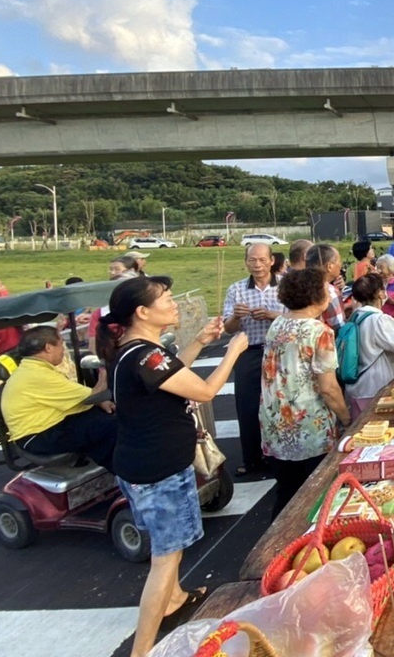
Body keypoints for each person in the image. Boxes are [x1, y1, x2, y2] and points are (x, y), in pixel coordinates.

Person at [97, 275, 248, 657]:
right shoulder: (146, 355)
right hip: (159, 470)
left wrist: (199, 341)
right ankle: (142, 649)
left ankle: (175, 598)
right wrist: (233, 351)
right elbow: (204, 391)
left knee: (170, 550)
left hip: (140, 465)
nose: (174, 302)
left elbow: (172, 375)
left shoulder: (137, 351)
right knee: (164, 559)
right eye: (166, 297)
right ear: (143, 312)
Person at [261, 268, 351, 519]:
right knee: (318, 496)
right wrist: (347, 419)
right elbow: (329, 388)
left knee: (286, 493)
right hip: (309, 426)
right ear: (316, 296)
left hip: (274, 422)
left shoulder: (278, 323)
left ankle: (274, 550)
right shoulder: (319, 332)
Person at [1, 326, 116, 471]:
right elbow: (94, 396)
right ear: (49, 347)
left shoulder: (32, 369)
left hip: (48, 426)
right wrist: (104, 371)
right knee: (110, 426)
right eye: (61, 344)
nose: (63, 349)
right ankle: (127, 475)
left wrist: (102, 403)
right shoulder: (38, 375)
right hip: (37, 436)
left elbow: (78, 400)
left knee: (103, 419)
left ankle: (112, 470)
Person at [222, 243, 286, 477]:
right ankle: (252, 459)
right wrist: (236, 317)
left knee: (281, 402)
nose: (257, 265)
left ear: (271, 260)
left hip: (279, 351)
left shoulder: (285, 286)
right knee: (247, 406)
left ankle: (281, 455)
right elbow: (228, 329)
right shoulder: (236, 289)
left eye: (261, 260)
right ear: (246, 262)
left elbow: (297, 316)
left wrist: (271, 315)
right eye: (252, 260)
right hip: (248, 351)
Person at [343, 273, 394, 414]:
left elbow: (373, 337)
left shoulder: (356, 315)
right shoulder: (379, 319)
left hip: (357, 387)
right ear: (380, 294)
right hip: (375, 386)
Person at [305, 244, 346, 330]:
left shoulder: (296, 286)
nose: (340, 264)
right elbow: (339, 327)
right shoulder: (330, 292)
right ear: (329, 267)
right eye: (339, 261)